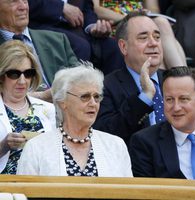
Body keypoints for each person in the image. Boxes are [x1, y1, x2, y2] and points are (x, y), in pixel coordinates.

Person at [17, 63, 132, 177]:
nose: (93, 103)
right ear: (63, 103)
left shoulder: (116, 146)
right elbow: (23, 193)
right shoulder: (36, 147)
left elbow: (128, 193)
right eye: (85, 97)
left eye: (96, 97)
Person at [94, 10, 166, 144]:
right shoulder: (105, 87)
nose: (153, 43)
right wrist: (144, 98)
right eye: (143, 38)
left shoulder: (173, 79)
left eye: (157, 37)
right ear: (123, 47)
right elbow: (106, 135)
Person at [129, 66, 195, 179]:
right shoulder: (144, 142)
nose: (176, 107)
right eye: (169, 99)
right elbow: (146, 194)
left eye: (183, 99)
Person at [0, 0, 78, 102]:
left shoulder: (58, 40)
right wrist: (41, 96)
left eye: (25, 1)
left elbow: (80, 80)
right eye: (14, 1)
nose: (23, 7)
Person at [0, 40, 56, 174]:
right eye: (14, 74)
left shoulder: (48, 109)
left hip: (42, 183)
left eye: (28, 73)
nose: (22, 80)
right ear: (1, 76)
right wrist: (4, 146)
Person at [28, 0, 126, 75]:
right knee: (80, 46)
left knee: (112, 47)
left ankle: (110, 97)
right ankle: (77, 95)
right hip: (42, 25)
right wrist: (61, 8)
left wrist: (92, 26)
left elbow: (87, 8)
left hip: (78, 29)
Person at [93, 0, 186, 69]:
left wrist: (144, 15)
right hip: (115, 23)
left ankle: (180, 78)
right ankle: (182, 80)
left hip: (142, 20)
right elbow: (95, 8)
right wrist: (132, 19)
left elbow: (153, 9)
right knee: (159, 40)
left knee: (161, 23)